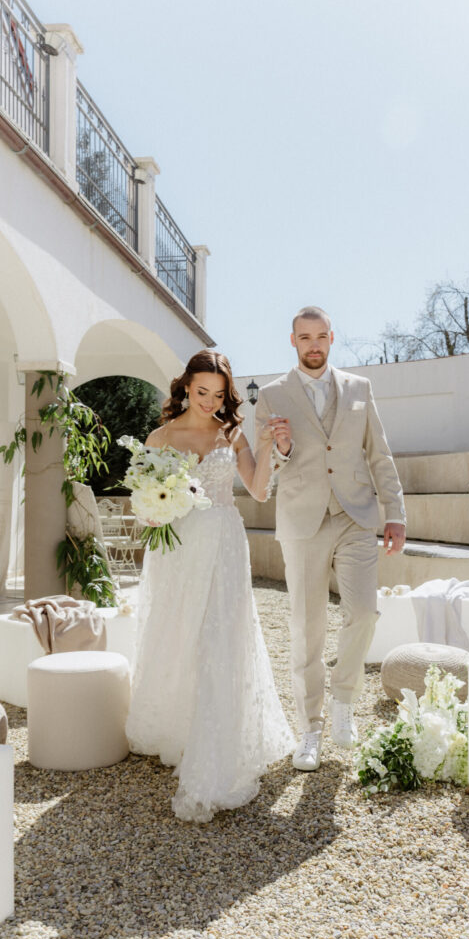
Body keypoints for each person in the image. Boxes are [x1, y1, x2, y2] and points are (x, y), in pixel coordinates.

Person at [126, 349, 295, 822]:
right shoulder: (160, 437)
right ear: (185, 387)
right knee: (178, 632)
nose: (209, 402)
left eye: (218, 395)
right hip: (177, 549)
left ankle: (217, 744)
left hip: (223, 543)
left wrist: (269, 448)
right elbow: (144, 502)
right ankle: (180, 727)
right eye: (202, 392)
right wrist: (154, 511)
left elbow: (258, 490)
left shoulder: (231, 433)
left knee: (220, 637)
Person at [255, 307, 406, 771]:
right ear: (293, 341)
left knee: (363, 612)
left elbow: (379, 454)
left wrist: (395, 513)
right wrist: (281, 450)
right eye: (305, 337)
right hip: (302, 520)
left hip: (355, 515)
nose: (314, 345)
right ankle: (311, 728)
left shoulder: (360, 388)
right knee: (307, 627)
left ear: (332, 338)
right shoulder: (271, 395)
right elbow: (263, 468)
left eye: (320, 336)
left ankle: (343, 700)